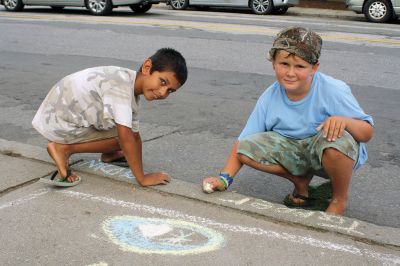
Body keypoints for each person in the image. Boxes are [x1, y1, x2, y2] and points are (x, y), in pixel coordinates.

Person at [202, 27, 373, 215]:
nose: (290, 73)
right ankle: (300, 181)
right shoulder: (269, 96)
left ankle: (339, 199)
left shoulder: (333, 89)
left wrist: (344, 121)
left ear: (314, 67)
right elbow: (242, 142)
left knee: (336, 142)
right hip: (295, 152)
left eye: (300, 66)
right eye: (284, 64)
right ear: (273, 63)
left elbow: (366, 132)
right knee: (245, 149)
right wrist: (224, 179)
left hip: (329, 152)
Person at [32, 48, 187, 187]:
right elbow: (127, 138)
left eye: (170, 91)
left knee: (128, 137)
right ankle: (63, 149)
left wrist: (130, 150)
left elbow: (135, 136)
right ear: (147, 67)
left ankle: (110, 154)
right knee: (123, 138)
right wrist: (142, 178)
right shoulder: (121, 88)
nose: (162, 92)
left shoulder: (129, 80)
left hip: (59, 115)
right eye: (162, 82)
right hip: (58, 123)